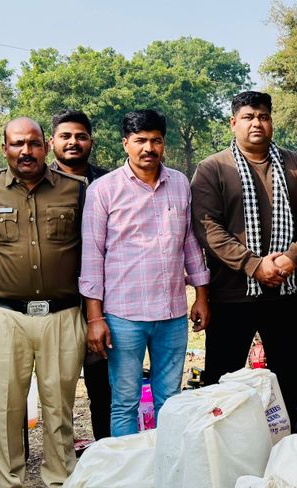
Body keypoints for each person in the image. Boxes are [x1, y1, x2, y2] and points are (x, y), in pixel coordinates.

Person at [0, 117, 87, 488]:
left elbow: (90, 250)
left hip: (62, 313)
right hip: (4, 314)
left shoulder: (75, 189)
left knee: (59, 407)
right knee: (5, 408)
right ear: (5, 148)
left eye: (34, 143)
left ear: (46, 146)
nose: (27, 151)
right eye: (18, 144)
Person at [191, 90, 297, 411]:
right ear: (233, 122)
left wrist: (291, 258)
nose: (257, 123)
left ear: (271, 122)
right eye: (249, 117)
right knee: (223, 382)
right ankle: (226, 452)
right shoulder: (213, 168)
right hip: (231, 296)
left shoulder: (295, 165)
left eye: (263, 117)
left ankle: (289, 449)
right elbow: (207, 226)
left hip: (286, 293)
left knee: (290, 378)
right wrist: (253, 265)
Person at [80, 110, 209, 438]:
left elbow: (190, 242)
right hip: (125, 315)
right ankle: (129, 480)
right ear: (126, 144)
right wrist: (95, 317)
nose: (148, 148)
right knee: (124, 400)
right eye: (140, 141)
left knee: (170, 399)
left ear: (164, 143)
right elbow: (92, 255)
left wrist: (202, 296)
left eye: (156, 140)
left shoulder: (179, 183)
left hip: (172, 313)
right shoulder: (104, 190)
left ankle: (167, 471)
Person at [47, 108, 111, 438]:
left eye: (81, 136)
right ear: (51, 142)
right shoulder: (40, 184)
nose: (74, 142)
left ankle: (105, 461)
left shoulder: (112, 182)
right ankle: (61, 473)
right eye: (66, 136)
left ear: (91, 141)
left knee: (104, 388)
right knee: (57, 391)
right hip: (58, 302)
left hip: (104, 303)